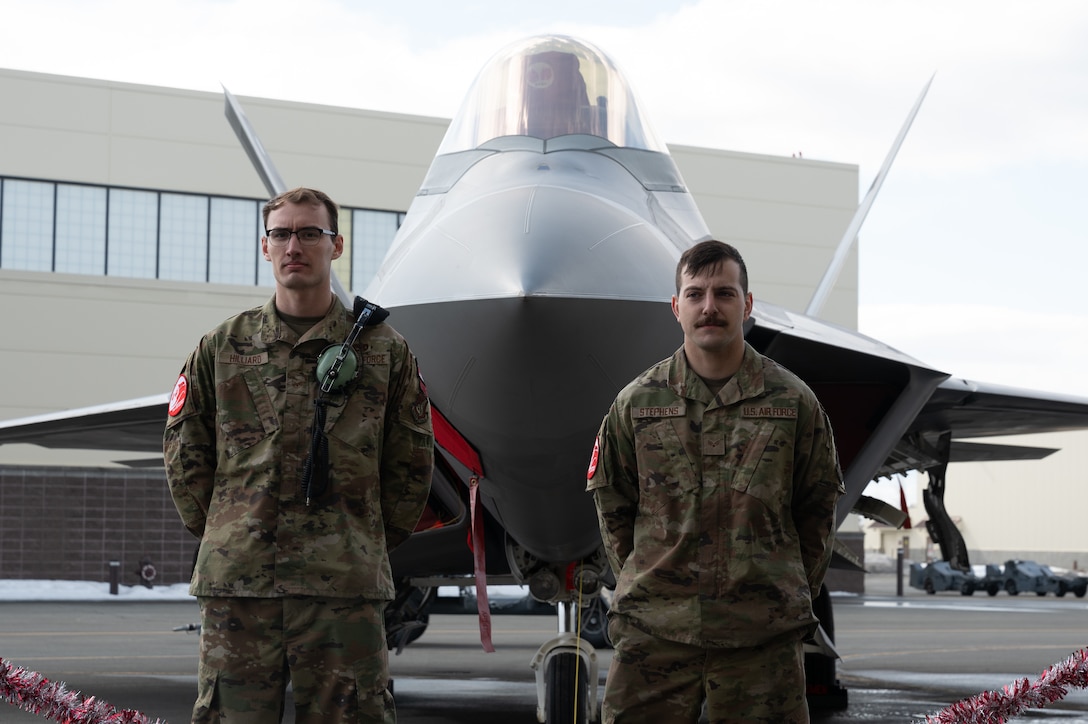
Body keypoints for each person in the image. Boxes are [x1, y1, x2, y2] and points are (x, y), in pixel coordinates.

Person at [163, 187, 434, 724]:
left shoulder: (383, 351)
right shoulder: (222, 348)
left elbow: (410, 468)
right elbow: (184, 456)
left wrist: (358, 541)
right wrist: (232, 531)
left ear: (336, 246)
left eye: (310, 233)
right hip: (240, 589)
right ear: (265, 248)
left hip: (343, 592)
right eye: (281, 234)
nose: (295, 245)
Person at [586, 239, 844, 723]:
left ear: (747, 306)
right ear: (676, 307)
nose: (709, 307)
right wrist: (659, 589)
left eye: (724, 293)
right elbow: (614, 510)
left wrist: (773, 594)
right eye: (695, 294)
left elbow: (817, 513)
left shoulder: (793, 403)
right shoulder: (636, 405)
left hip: (761, 643)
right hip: (654, 640)